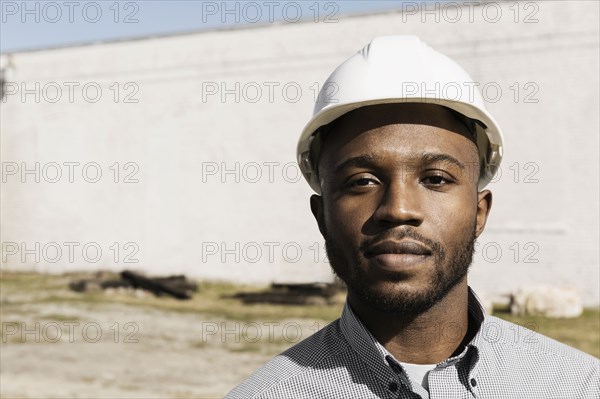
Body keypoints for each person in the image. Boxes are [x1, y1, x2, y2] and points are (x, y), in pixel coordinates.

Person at [224, 36, 599, 399]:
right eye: (362, 181)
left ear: (479, 212)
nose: (399, 208)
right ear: (321, 215)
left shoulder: (577, 386)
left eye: (435, 178)